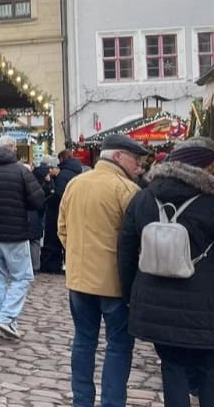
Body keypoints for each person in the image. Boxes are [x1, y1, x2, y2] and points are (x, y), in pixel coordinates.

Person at [117, 137, 214, 407]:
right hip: (208, 305)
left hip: (155, 302)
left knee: (172, 369)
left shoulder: (142, 197)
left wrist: (130, 293)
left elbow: (126, 249)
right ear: (204, 167)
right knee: (211, 373)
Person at [58, 133, 147, 407]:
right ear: (118, 156)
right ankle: (112, 402)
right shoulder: (127, 190)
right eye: (135, 160)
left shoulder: (75, 183)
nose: (139, 167)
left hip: (78, 279)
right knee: (118, 345)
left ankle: (82, 400)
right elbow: (138, 239)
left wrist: (77, 256)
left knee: (84, 340)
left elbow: (62, 229)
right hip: (114, 282)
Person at [0, 135, 45, 340]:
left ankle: (8, 323)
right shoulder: (21, 171)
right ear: (13, 149)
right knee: (23, 277)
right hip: (16, 234)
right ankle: (6, 317)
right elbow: (38, 200)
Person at [40, 150, 82, 274]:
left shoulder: (62, 175)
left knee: (56, 238)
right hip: (74, 210)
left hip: (59, 212)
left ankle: (53, 265)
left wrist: (48, 201)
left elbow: (58, 195)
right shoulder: (77, 172)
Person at [30, 155, 60, 272]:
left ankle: (33, 266)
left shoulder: (33, 176)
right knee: (35, 241)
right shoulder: (47, 179)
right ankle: (35, 265)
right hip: (39, 211)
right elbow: (48, 194)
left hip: (31, 212)